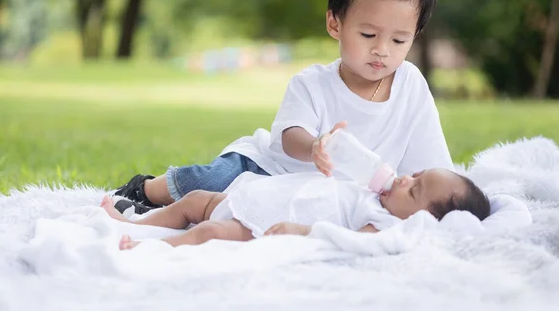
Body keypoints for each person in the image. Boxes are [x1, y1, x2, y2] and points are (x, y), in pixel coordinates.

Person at [112, 0, 454, 214]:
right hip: (270, 170)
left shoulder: (410, 86)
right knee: (209, 183)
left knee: (232, 212)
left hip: (326, 195)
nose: (382, 49)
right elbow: (290, 137)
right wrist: (315, 147)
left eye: (398, 40)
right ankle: (148, 190)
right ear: (335, 23)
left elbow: (433, 163)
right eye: (368, 34)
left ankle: (185, 210)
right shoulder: (313, 83)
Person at [102, 169, 491, 249]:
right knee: (193, 202)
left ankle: (151, 248)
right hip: (254, 199)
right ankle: (139, 223)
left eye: (415, 189)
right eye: (414, 174)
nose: (403, 180)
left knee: (207, 232)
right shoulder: (377, 190)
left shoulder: (384, 222)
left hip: (261, 224)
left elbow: (349, 239)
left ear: (421, 218)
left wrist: (302, 231)